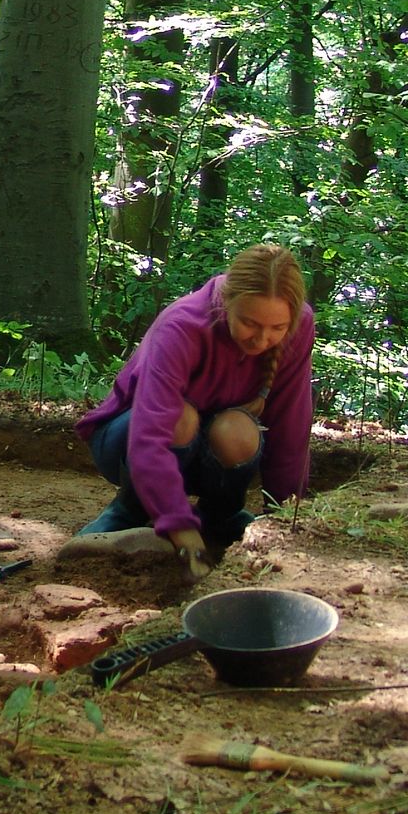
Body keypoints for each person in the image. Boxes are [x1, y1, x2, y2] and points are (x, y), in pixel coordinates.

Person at [74, 243, 315, 581]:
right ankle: (130, 511)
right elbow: (149, 435)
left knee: (239, 430)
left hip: (209, 448)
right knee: (180, 416)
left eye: (276, 329)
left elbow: (292, 425)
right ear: (228, 304)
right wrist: (180, 529)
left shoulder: (301, 326)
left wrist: (287, 514)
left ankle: (221, 516)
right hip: (129, 440)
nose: (262, 339)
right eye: (249, 323)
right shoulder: (183, 324)